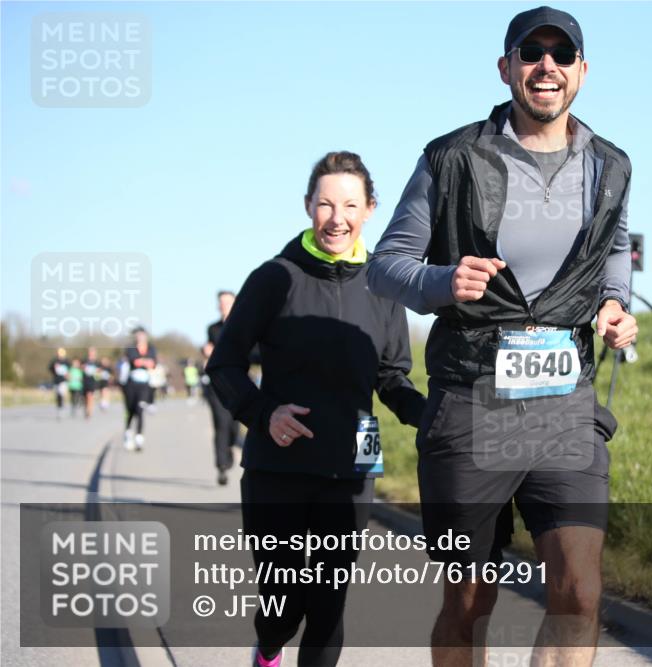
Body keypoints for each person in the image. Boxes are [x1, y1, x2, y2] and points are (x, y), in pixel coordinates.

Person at [367, 7, 638, 665]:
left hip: (564, 402)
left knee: (580, 589)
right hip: (472, 400)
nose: (546, 65)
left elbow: (613, 247)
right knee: (469, 599)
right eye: (531, 52)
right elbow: (385, 265)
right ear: (506, 67)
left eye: (561, 54)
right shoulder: (452, 157)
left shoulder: (610, 165)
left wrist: (614, 304)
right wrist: (442, 281)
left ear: (581, 72)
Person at [206, 151, 426, 667]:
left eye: (350, 204)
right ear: (308, 206)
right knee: (284, 608)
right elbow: (225, 365)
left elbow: (392, 378)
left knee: (328, 606)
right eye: (325, 204)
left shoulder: (383, 285)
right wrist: (264, 413)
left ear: (370, 209)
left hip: (352, 467)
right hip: (277, 466)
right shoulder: (273, 278)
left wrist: (434, 412)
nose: (337, 217)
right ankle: (267, 649)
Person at [202, 290, 243, 485]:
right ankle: (221, 466)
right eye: (221, 302)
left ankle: (230, 449)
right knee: (220, 424)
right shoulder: (213, 328)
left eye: (227, 302)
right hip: (217, 384)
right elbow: (210, 349)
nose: (223, 305)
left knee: (234, 428)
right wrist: (206, 351)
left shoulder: (245, 325)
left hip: (241, 384)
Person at [122, 327, 157, 451]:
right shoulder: (130, 348)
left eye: (142, 335)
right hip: (131, 384)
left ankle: (139, 438)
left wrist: (144, 362)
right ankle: (127, 433)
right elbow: (134, 362)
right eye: (138, 335)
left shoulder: (152, 348)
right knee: (131, 411)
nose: (140, 338)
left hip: (144, 384)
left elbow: (153, 364)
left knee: (140, 409)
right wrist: (145, 362)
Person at [48, 348, 70, 419]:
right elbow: (50, 368)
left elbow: (70, 370)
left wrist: (68, 375)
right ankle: (59, 407)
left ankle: (62, 404)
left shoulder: (66, 362)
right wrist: (54, 369)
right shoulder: (54, 361)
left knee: (61, 393)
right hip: (56, 380)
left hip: (63, 381)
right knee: (57, 395)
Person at [82, 347, 100, 418]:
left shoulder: (97, 362)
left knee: (90, 396)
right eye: (90, 352)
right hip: (85, 381)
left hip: (93, 381)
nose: (91, 353)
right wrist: (83, 367)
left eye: (93, 352)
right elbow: (81, 368)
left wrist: (98, 372)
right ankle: (86, 408)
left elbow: (99, 372)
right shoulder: (84, 361)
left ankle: (89, 411)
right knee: (85, 397)